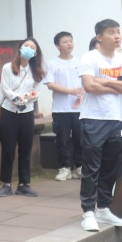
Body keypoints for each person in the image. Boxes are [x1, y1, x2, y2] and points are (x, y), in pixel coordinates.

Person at [78, 19, 122, 232]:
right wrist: (118, 86)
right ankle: (88, 212)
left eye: (118, 32)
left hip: (115, 118)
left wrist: (106, 81)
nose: (117, 36)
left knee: (112, 166)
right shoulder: (89, 58)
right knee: (92, 166)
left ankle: (103, 208)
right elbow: (89, 86)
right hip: (93, 118)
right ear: (99, 37)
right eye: (111, 32)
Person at [0, 38, 45, 198]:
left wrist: (27, 98)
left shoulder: (37, 71)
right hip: (9, 111)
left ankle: (24, 184)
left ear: (35, 53)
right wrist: (18, 99)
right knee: (8, 149)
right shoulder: (8, 67)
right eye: (26, 46)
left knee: (25, 148)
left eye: (32, 47)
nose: (28, 49)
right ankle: (6, 184)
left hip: (27, 112)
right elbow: (5, 89)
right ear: (20, 48)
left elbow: (37, 92)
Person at [44, 32, 84, 181]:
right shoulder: (52, 63)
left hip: (79, 108)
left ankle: (79, 167)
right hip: (60, 109)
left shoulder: (80, 61)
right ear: (57, 46)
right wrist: (70, 91)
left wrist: (81, 95)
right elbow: (50, 84)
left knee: (80, 138)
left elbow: (86, 82)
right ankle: (64, 168)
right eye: (65, 41)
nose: (69, 44)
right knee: (63, 139)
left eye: (71, 41)